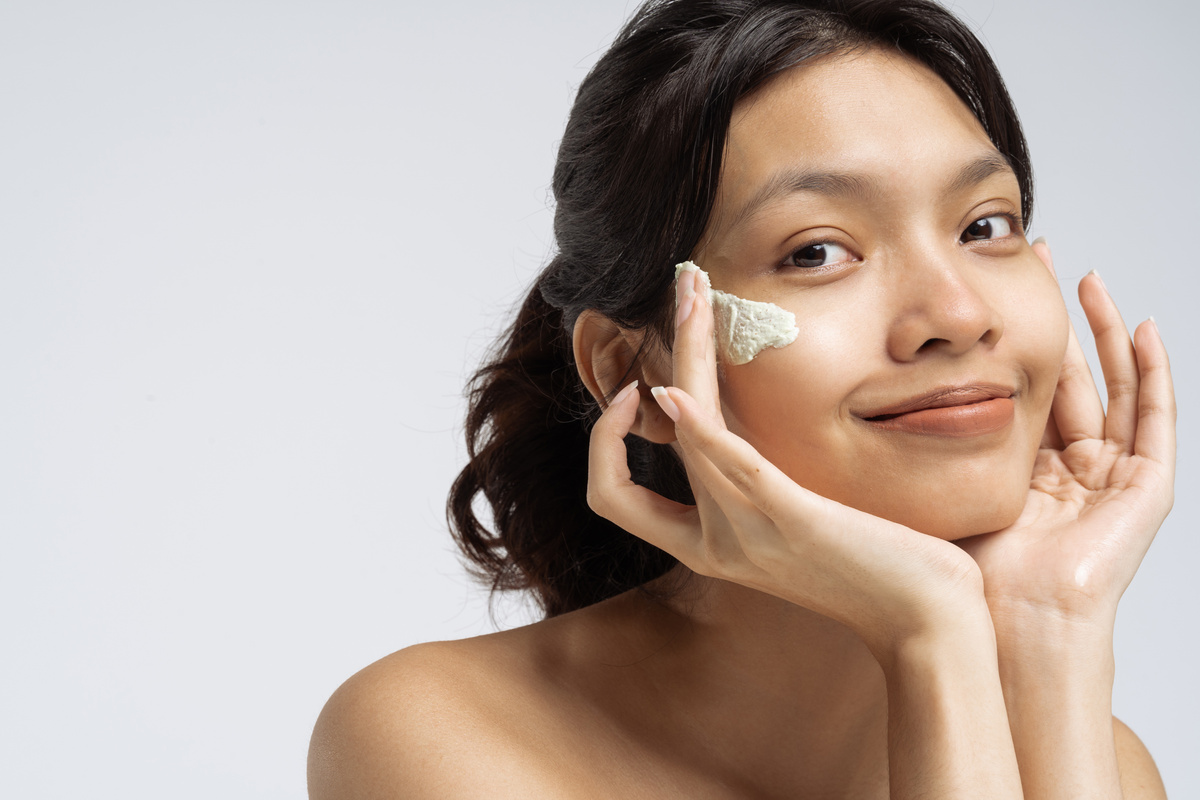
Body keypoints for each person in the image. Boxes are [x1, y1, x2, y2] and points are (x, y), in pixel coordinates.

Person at [308, 0, 1175, 796]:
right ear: (629, 371)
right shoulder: (442, 738)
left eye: (985, 226)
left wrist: (1049, 621)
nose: (956, 314)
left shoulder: (1103, 767)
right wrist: (932, 637)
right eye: (816, 252)